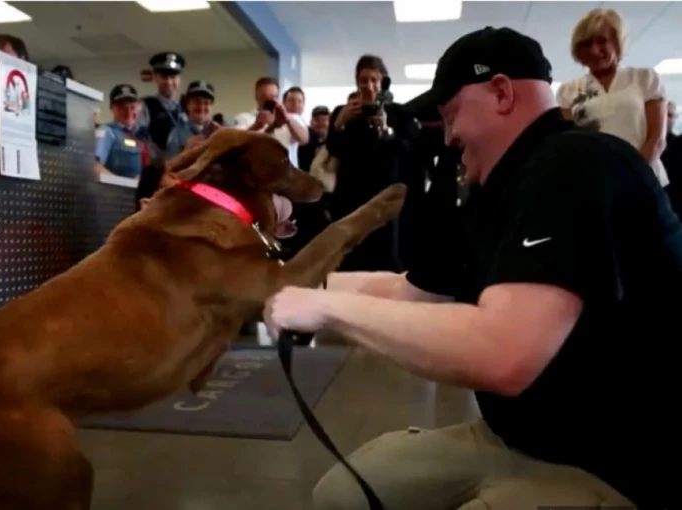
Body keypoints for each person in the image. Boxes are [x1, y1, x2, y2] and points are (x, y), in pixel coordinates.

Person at [264, 26, 679, 510]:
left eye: (452, 113)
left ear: (501, 93)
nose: (450, 133)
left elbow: (504, 353)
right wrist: (286, 281)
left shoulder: (579, 165)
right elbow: (409, 291)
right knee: (342, 495)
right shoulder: (497, 187)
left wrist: (326, 308)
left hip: (612, 465)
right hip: (514, 437)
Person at [326, 55, 421, 273]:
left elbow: (409, 151)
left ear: (383, 81)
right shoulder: (344, 111)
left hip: (385, 192)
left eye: (373, 80)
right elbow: (334, 149)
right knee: (349, 251)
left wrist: (387, 130)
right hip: (351, 194)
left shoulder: (398, 113)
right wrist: (340, 123)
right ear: (356, 81)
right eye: (363, 80)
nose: (368, 86)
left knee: (386, 253)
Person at [557, 8, 670, 187]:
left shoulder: (644, 78)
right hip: (594, 185)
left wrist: (629, 176)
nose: (594, 50)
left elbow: (657, 139)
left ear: (617, 43)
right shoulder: (568, 90)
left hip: (644, 181)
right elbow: (570, 145)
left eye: (602, 41)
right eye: (586, 43)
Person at [232, 77, 309, 167]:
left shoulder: (292, 118)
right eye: (264, 97)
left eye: (273, 97)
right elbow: (237, 145)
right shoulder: (244, 118)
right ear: (256, 97)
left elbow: (304, 140)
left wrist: (287, 119)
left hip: (287, 176)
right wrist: (257, 125)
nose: (269, 101)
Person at [95, 84, 159, 181]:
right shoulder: (106, 132)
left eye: (132, 107)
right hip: (117, 193)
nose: (128, 112)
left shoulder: (144, 136)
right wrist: (125, 184)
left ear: (139, 107)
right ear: (112, 108)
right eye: (122, 107)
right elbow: (95, 167)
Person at [137, 51, 187, 152]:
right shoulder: (145, 106)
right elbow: (140, 139)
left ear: (179, 79)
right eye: (164, 77)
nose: (169, 82)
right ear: (155, 78)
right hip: (158, 165)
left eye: (173, 77)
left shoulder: (188, 105)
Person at [165, 81, 219, 160]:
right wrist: (185, 151)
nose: (201, 107)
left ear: (212, 107)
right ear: (188, 105)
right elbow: (168, 167)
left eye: (206, 103)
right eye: (197, 101)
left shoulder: (220, 132)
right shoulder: (176, 134)